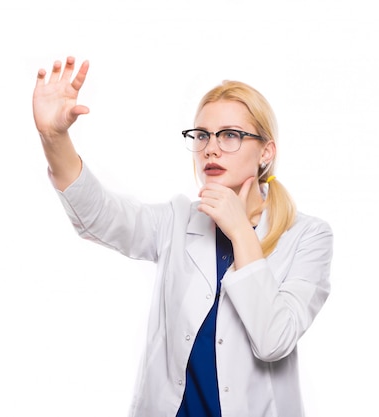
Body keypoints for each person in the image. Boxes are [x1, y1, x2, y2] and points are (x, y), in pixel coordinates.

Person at [32, 56, 333, 417]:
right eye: (202, 135)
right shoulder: (176, 220)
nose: (211, 148)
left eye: (230, 135)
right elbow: (99, 216)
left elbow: (273, 340)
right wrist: (54, 138)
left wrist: (240, 230)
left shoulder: (307, 236)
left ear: (266, 152)